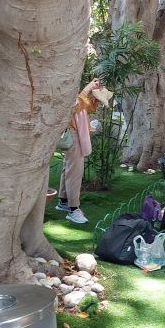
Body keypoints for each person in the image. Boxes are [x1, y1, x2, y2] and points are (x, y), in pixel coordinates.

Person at [56, 78, 106, 224]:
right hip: (72, 134)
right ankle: (73, 209)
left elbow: (85, 108)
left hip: (74, 133)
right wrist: (88, 88)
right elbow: (75, 107)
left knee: (69, 168)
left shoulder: (71, 93)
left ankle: (63, 201)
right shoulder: (64, 94)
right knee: (75, 172)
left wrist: (95, 95)